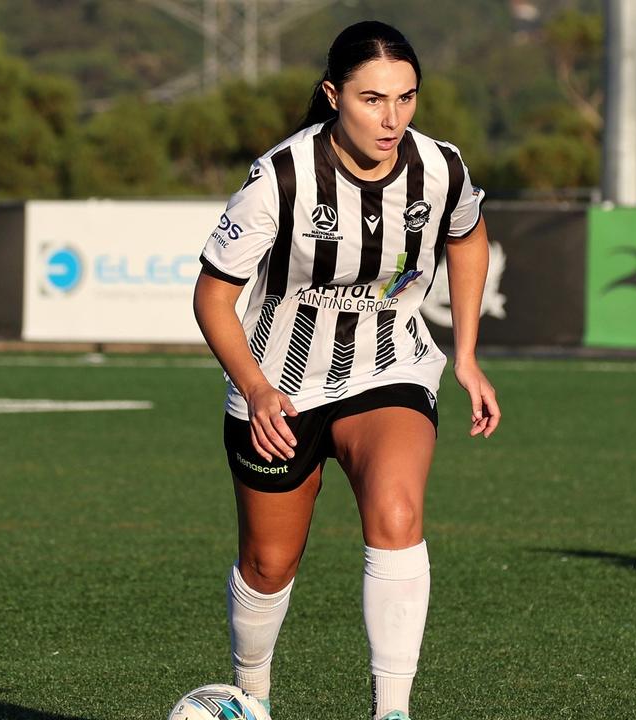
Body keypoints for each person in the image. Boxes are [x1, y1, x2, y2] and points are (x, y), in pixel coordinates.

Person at [192, 20, 500, 720]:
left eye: (406, 97)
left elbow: (470, 235)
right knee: (269, 564)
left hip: (388, 367)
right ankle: (252, 698)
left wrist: (469, 354)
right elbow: (212, 297)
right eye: (371, 99)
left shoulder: (440, 167)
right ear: (334, 95)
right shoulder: (280, 179)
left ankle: (392, 712)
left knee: (396, 512)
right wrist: (256, 388)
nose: (392, 118)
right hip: (277, 386)